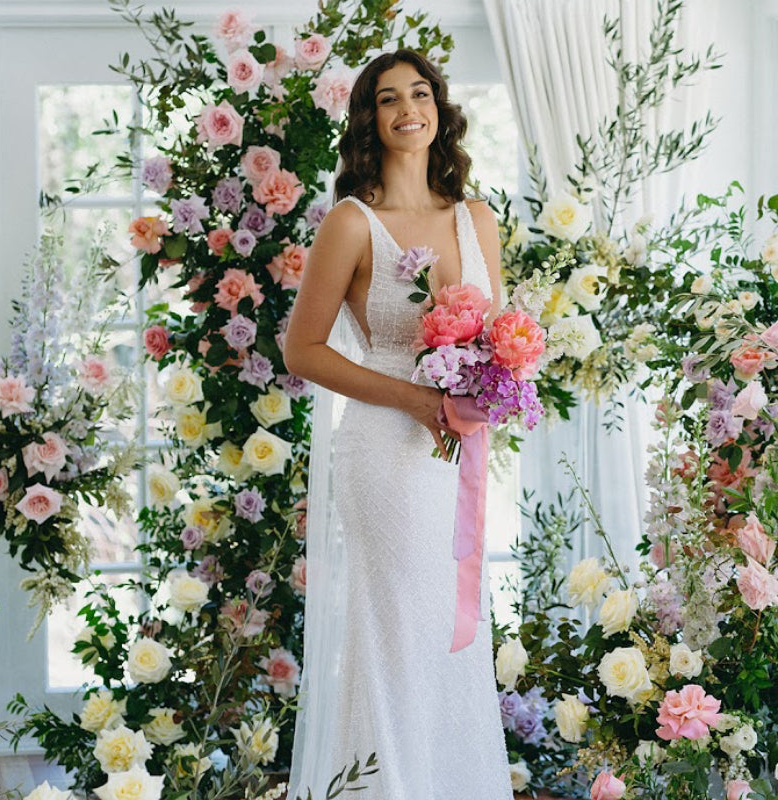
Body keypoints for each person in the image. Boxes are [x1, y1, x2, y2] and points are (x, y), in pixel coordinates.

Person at [283, 48, 513, 800]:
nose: (408, 108)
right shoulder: (353, 224)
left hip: (457, 458)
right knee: (397, 633)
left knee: (452, 637)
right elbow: (303, 348)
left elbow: (502, 338)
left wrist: (493, 393)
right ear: (371, 121)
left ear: (440, 109)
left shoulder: (478, 219)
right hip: (385, 453)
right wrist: (419, 400)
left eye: (420, 93)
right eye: (388, 99)